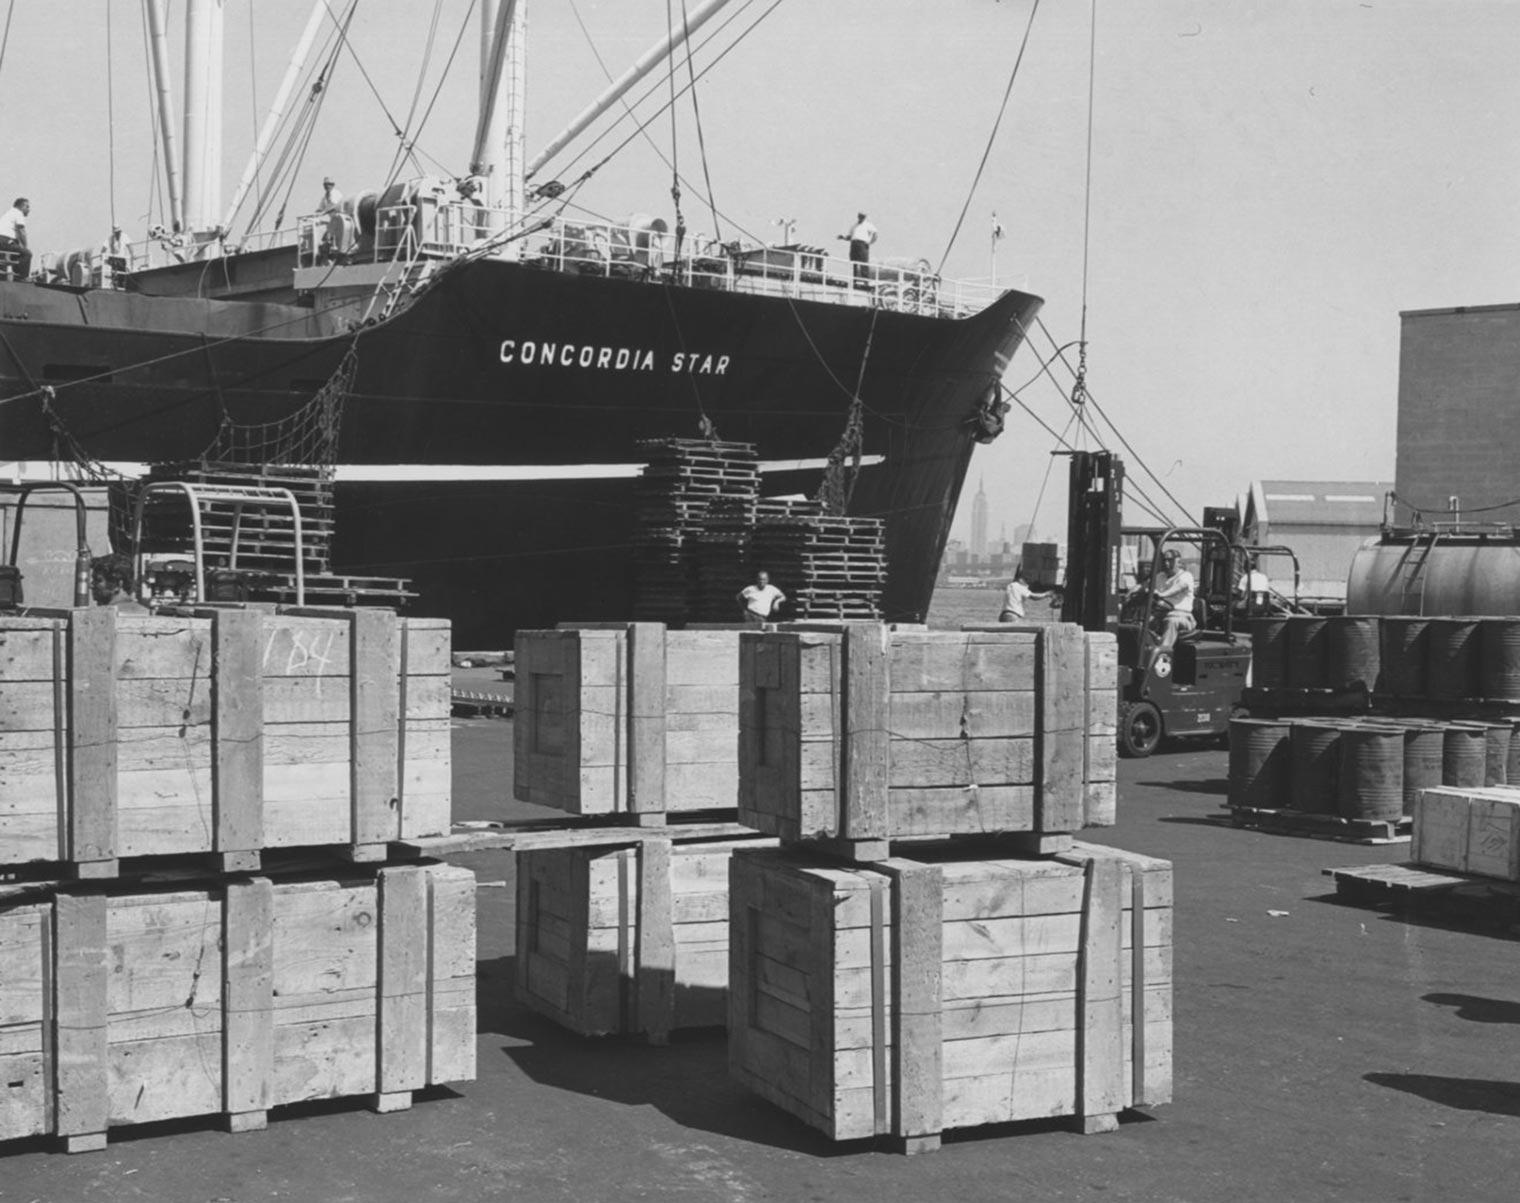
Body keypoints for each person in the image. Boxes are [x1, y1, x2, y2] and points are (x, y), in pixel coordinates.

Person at [1152, 548, 1197, 652]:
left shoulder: (1186, 576)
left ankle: (1163, 654)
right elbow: (1147, 586)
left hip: (1183, 616)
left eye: (1170, 560)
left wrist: (1161, 594)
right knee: (1141, 624)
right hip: (1160, 613)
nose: (1167, 563)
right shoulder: (1160, 576)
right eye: (1165, 560)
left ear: (1178, 562)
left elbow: (1178, 587)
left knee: (1172, 621)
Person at [838, 211, 877, 286]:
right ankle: (854, 280)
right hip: (854, 243)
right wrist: (843, 237)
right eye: (860, 216)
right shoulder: (854, 226)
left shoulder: (868, 225)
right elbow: (850, 237)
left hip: (862, 244)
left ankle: (865, 281)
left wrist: (870, 242)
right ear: (858, 216)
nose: (861, 218)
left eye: (863, 216)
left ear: (865, 217)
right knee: (853, 262)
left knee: (863, 262)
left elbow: (875, 234)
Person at [0, 197, 32, 279]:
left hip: (3, 241)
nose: (29, 209)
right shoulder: (18, 213)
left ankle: (9, 277)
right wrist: (25, 247)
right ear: (21, 207)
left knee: (15, 255)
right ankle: (22, 278)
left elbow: (17, 235)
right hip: (4, 241)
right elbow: (22, 231)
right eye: (27, 207)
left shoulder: (9, 214)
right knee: (27, 254)